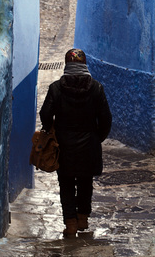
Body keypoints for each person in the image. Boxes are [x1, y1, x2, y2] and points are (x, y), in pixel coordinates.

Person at [39, 48, 112, 237]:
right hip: (89, 144)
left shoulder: (56, 88)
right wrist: (98, 137)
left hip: (64, 144)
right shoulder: (96, 88)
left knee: (66, 183)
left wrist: (51, 130)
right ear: (84, 65)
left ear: (67, 65)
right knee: (86, 181)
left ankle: (70, 224)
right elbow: (106, 118)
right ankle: (82, 219)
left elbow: (45, 114)